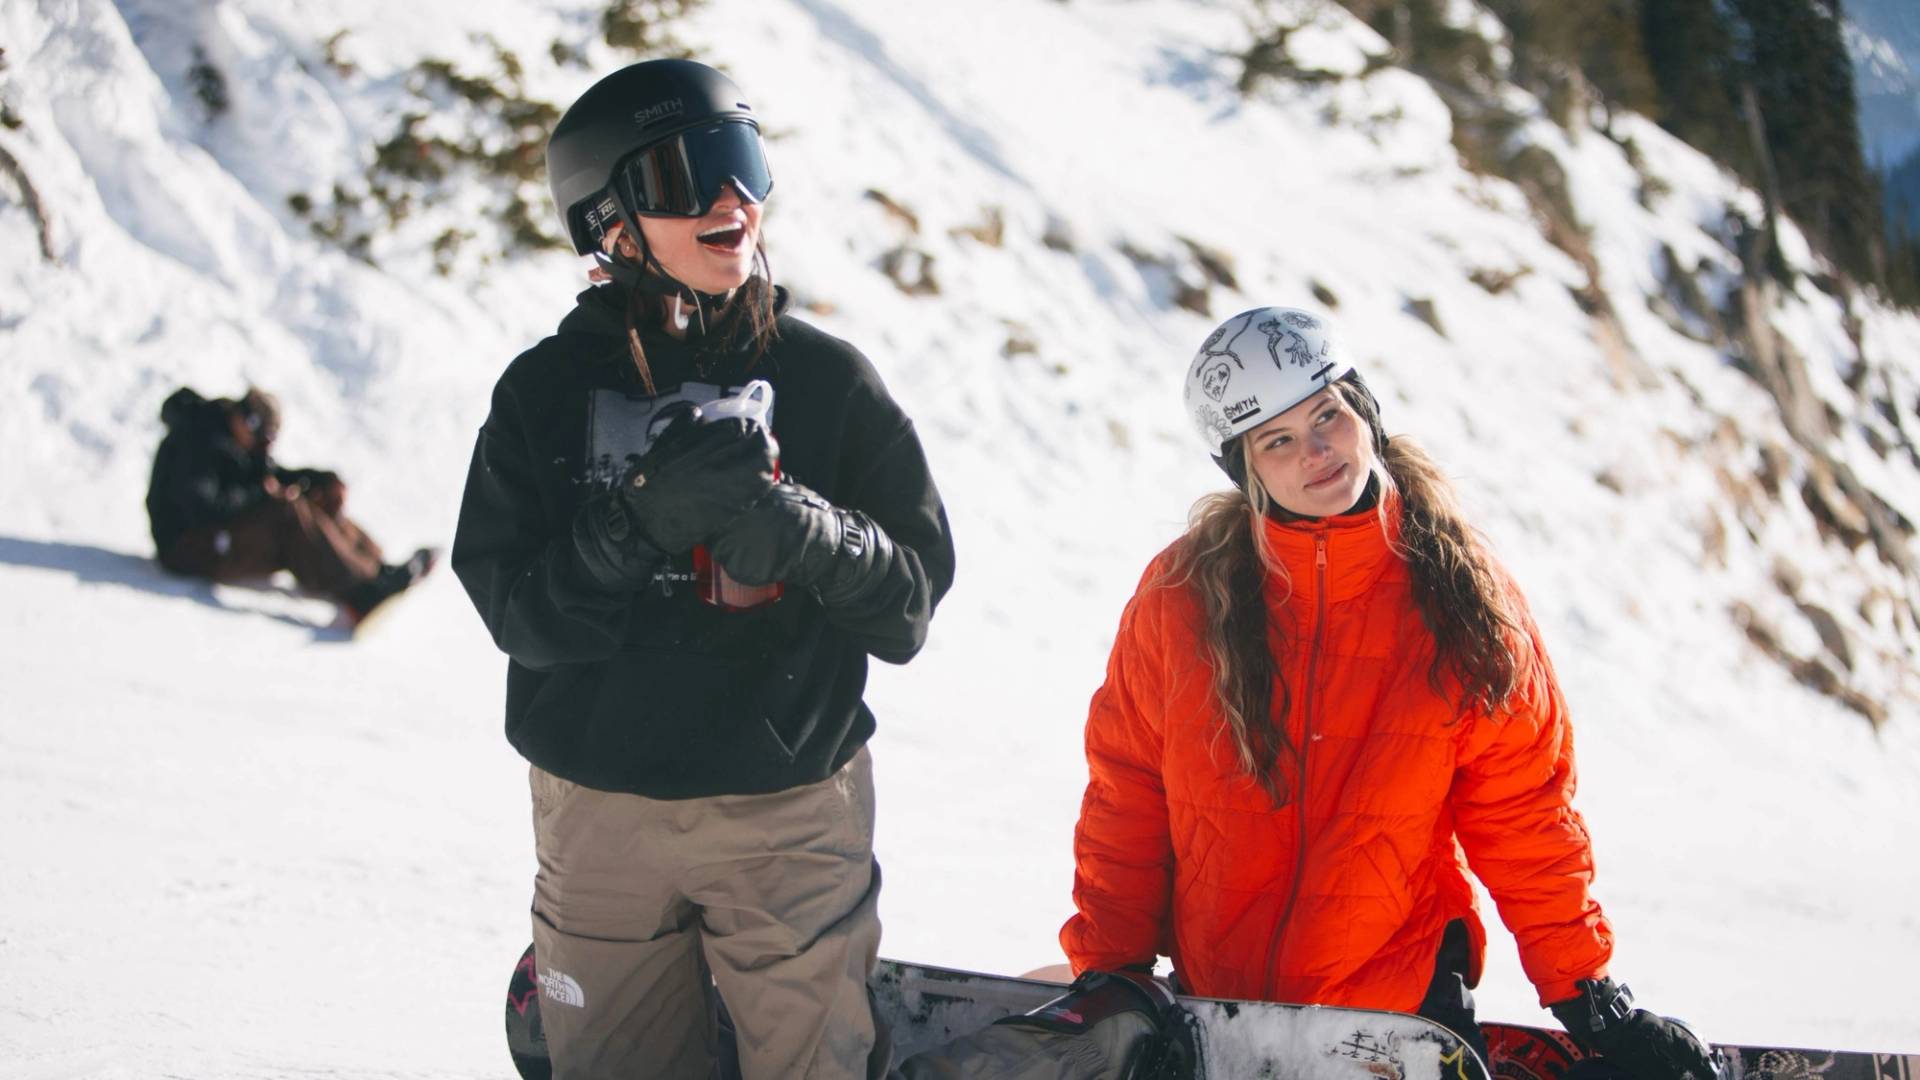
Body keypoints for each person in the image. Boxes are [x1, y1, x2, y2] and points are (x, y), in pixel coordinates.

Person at [451, 59, 955, 1080]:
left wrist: (808, 535)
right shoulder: (546, 394)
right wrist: (627, 532)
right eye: (690, 175)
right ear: (610, 222)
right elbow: (520, 616)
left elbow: (907, 608)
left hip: (789, 814)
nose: (735, 201)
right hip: (599, 822)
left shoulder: (826, 381)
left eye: (745, 162)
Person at [1060, 307, 1717, 1078]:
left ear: (1363, 410)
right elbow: (1127, 796)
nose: (1317, 451)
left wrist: (1586, 993)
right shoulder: (1181, 598)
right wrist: (1112, 973)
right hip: (1218, 1014)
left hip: (1397, 1027)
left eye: (1327, 416)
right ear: (1244, 469)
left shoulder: (1461, 595)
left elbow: (1524, 812)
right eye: (1277, 439)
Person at [145, 385, 436, 624]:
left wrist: (318, 480)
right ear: (248, 422)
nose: (265, 447)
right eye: (264, 438)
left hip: (213, 538)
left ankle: (376, 570)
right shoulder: (199, 442)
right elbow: (202, 507)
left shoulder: (235, 441)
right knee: (286, 511)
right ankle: (360, 593)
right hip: (185, 549)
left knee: (304, 499)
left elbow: (269, 477)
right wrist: (261, 495)